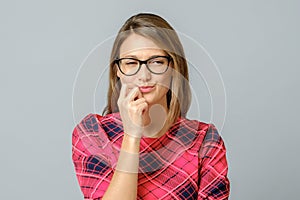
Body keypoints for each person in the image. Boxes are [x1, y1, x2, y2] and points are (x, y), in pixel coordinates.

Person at [72, 13, 230, 200]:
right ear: (118, 71)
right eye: (131, 63)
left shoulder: (204, 141)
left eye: (156, 62)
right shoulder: (93, 134)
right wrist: (131, 136)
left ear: (174, 69)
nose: (144, 76)